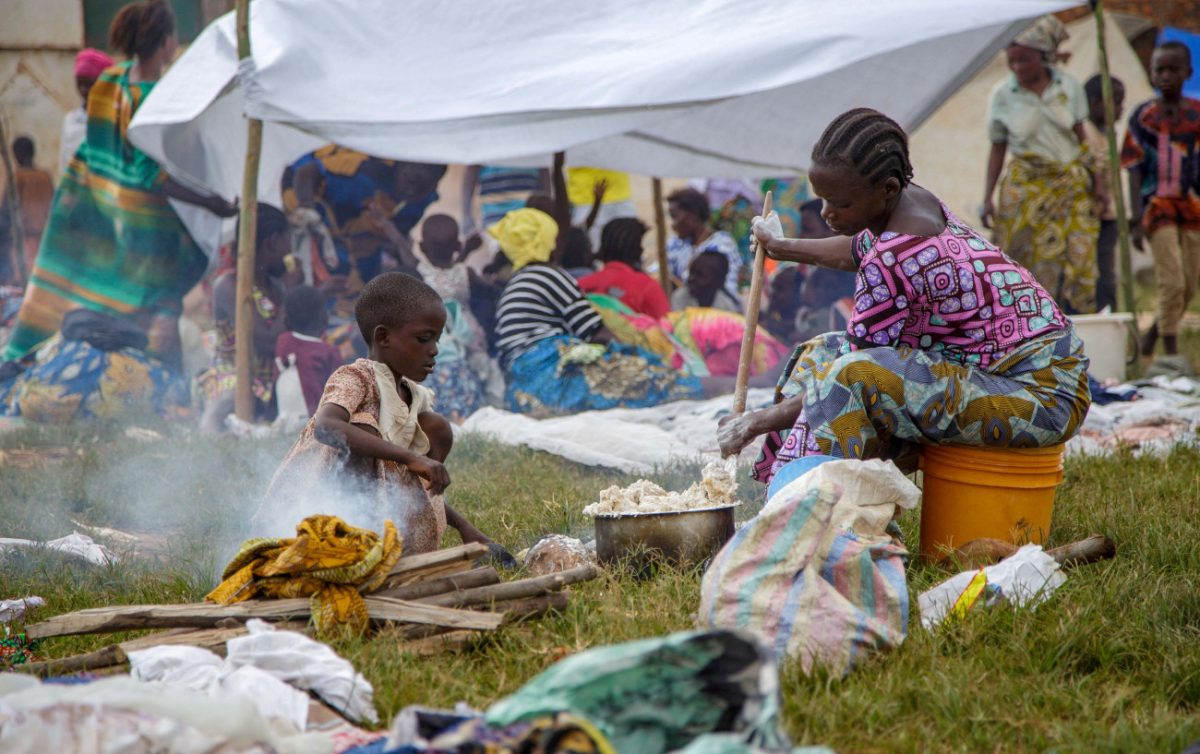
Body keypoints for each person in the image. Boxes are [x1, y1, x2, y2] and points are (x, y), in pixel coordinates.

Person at [718, 108, 1091, 485]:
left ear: (888, 189)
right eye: (823, 200)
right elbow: (857, 249)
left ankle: (809, 502)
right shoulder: (912, 203)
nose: (828, 213)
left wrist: (755, 422)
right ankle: (784, 487)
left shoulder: (893, 256)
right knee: (819, 354)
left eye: (841, 204)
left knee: (846, 377)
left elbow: (844, 377)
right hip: (1012, 376)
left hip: (1041, 398)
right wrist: (781, 247)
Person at [3, 0, 238, 366]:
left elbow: (98, 149)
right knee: (159, 311)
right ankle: (160, 380)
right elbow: (149, 174)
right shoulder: (155, 98)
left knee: (86, 297)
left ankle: (60, 363)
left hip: (102, 216)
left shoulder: (109, 81)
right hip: (148, 235)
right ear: (166, 41)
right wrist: (211, 202)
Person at [252, 272, 504, 556]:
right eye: (424, 339)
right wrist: (410, 457)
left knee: (436, 426)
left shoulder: (413, 397)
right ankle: (355, 544)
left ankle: (393, 544)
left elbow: (410, 481)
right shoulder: (356, 377)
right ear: (383, 337)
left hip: (387, 518)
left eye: (436, 339)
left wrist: (465, 528)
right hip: (316, 515)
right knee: (363, 428)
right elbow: (327, 426)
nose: (434, 350)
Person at [490, 207, 703, 416]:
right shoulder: (548, 275)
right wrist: (636, 355)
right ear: (546, 244)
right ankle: (699, 388)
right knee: (654, 380)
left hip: (520, 388)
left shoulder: (514, 285)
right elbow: (595, 332)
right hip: (549, 375)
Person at [982, 15, 1098, 315]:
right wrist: (988, 197)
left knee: (1077, 258)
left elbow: (1081, 139)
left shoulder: (1068, 87)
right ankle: (1028, 319)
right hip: (1026, 188)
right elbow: (998, 148)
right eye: (1012, 61)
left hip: (1068, 186)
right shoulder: (1002, 95)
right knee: (1020, 260)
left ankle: (1072, 318)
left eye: (1025, 59)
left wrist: (1098, 185)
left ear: (1044, 55)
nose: (1017, 67)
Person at [1123, 41, 1200, 358]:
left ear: (1188, 73)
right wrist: (1136, 218)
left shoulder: (1196, 115)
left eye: (1173, 69)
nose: (1165, 76)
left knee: (1190, 284)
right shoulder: (1144, 117)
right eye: (1159, 70)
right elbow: (1133, 168)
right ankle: (1170, 354)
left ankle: (1153, 334)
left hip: (1192, 206)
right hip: (1157, 207)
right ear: (1151, 73)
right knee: (1172, 281)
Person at [281, 146, 445, 285]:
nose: (411, 191)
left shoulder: (423, 199)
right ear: (400, 166)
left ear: (434, 186)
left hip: (352, 226)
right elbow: (307, 171)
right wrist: (306, 208)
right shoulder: (364, 170)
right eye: (409, 180)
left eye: (422, 187)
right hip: (302, 192)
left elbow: (395, 235)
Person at [197, 203, 291, 432]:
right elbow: (266, 342)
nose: (290, 250)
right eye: (288, 241)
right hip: (233, 376)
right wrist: (292, 298)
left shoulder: (276, 287)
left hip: (270, 380)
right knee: (231, 398)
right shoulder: (229, 285)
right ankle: (208, 434)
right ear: (273, 241)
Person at [1082, 74, 1126, 313]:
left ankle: (1108, 311)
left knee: (1106, 270)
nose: (1120, 110)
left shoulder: (1109, 133)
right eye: (1116, 103)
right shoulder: (1084, 132)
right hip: (1089, 216)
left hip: (1108, 216)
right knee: (1091, 270)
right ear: (1096, 103)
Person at [579, 218, 670, 319]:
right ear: (638, 250)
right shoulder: (648, 287)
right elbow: (665, 325)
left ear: (603, 248)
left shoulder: (582, 285)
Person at [276, 284, 343, 417]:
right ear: (325, 319)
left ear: (286, 322)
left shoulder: (282, 341)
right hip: (315, 419)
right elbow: (341, 393)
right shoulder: (329, 353)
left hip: (283, 416)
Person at [664, 187, 742, 300]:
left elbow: (728, 288)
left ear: (693, 215)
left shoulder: (722, 244)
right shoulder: (675, 245)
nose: (673, 225)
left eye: (675, 217)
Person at [1, 137, 54, 281]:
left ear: (16, 155)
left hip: (24, 242)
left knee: (21, 280)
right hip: (45, 243)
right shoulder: (45, 176)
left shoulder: (17, 178)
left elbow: (6, 213)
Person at [59, 48, 114, 176]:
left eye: (89, 84)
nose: (83, 89)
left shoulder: (113, 119)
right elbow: (64, 163)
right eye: (80, 83)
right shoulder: (71, 120)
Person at [461, 164, 548, 238]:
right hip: (494, 218)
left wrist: (548, 214)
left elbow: (544, 169)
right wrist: (466, 216)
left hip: (529, 216)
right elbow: (471, 170)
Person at [670, 251, 742, 313]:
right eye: (691, 273)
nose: (690, 279)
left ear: (719, 282)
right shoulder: (681, 297)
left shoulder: (726, 307)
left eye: (700, 275)